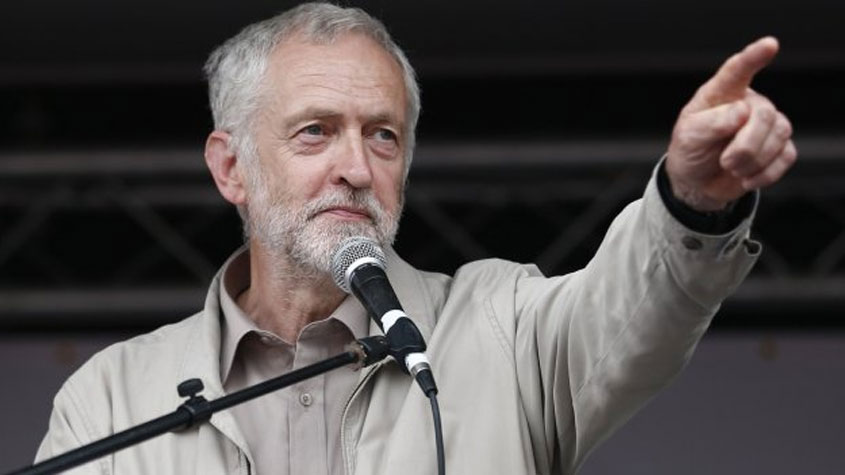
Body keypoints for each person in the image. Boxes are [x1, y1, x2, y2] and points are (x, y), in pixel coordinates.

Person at [35, 3, 796, 475]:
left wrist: (692, 199)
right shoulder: (112, 398)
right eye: (315, 132)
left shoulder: (501, 327)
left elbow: (637, 310)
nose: (356, 168)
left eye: (384, 135)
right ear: (231, 167)